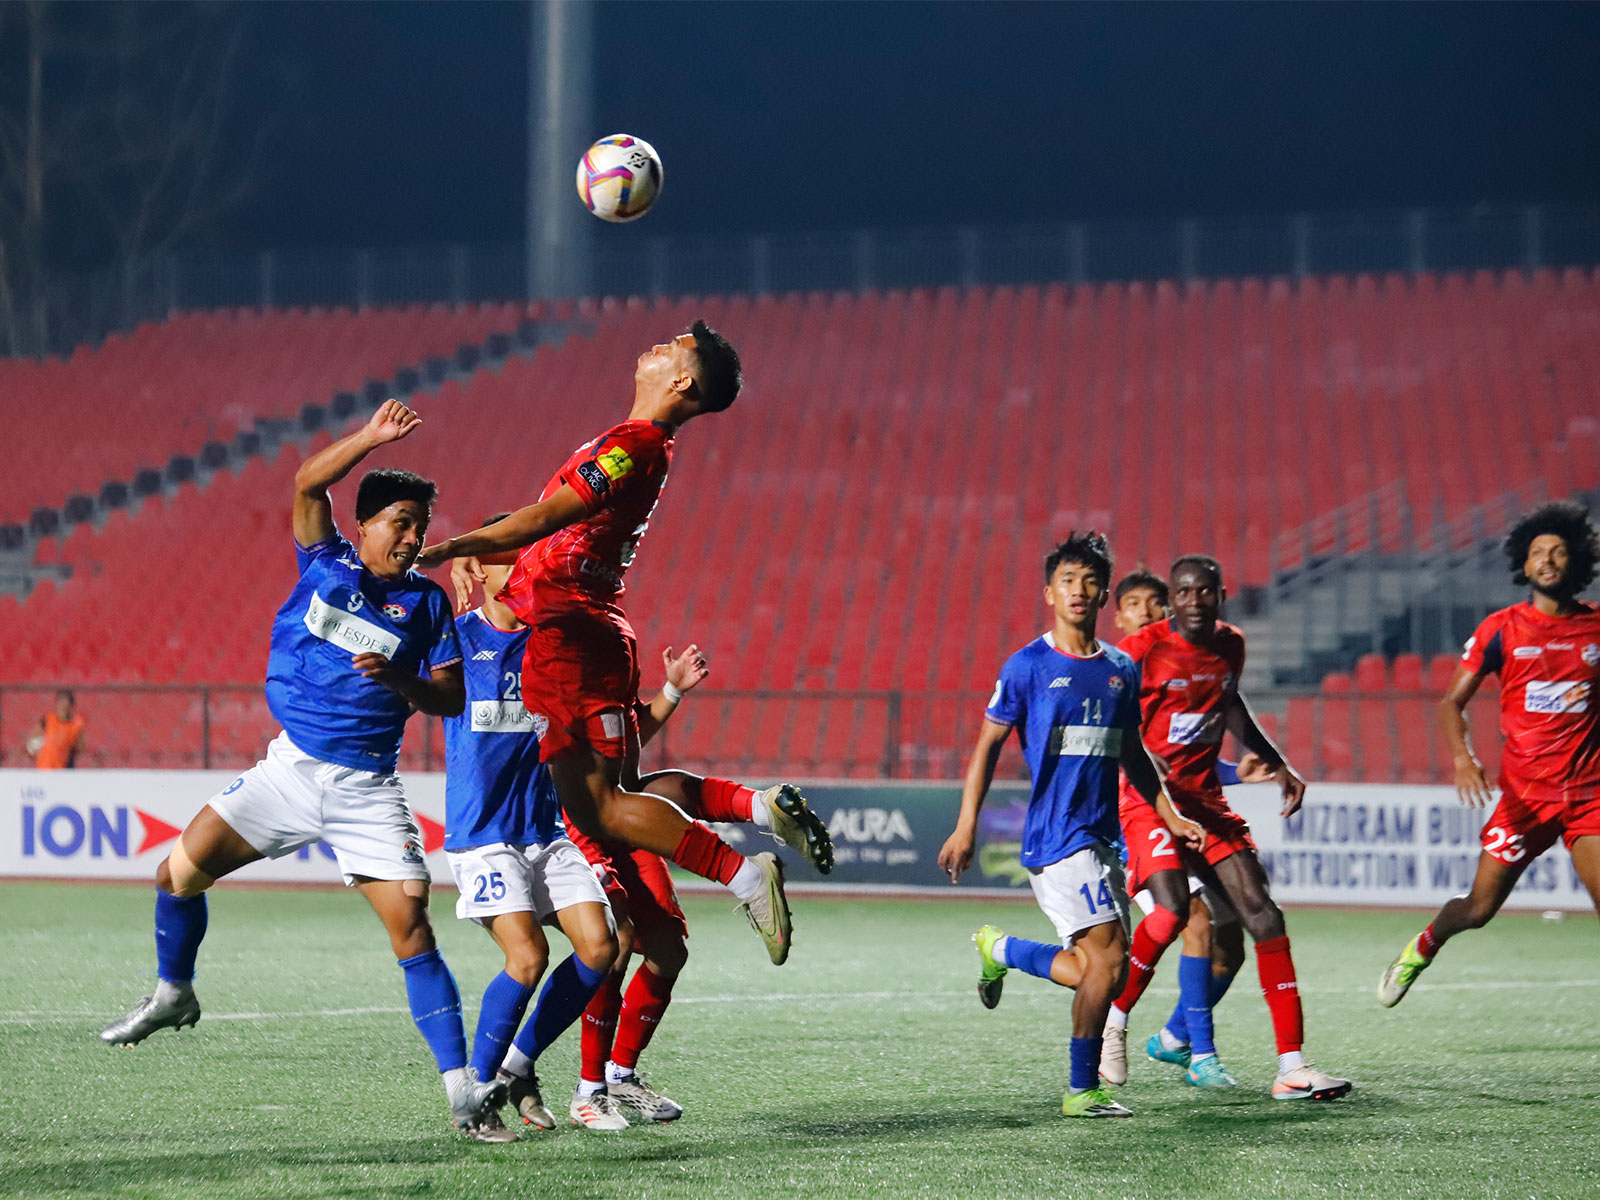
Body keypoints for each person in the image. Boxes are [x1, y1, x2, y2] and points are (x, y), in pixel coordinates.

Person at [99, 401, 506, 1138]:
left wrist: (402, 683)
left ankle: (461, 1095)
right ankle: (174, 992)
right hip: (287, 772)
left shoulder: (428, 604)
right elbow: (306, 485)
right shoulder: (326, 562)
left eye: (419, 528)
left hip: (365, 788)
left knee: (411, 927)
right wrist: (370, 439)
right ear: (366, 525)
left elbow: (450, 695)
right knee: (175, 875)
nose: (413, 540)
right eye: (400, 523)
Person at [417, 322, 818, 966]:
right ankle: (755, 823)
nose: (657, 347)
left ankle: (746, 874)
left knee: (601, 806)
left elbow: (552, 518)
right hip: (590, 628)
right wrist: (492, 550)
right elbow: (553, 534)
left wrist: (456, 544)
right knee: (612, 799)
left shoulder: (633, 443)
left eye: (673, 346)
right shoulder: (639, 443)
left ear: (683, 379)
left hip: (567, 634)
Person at [936, 533, 1205, 1119]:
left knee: (1095, 969)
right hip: (1059, 838)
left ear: (1104, 593)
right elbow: (986, 747)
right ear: (1049, 594)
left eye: (1088, 581)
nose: (1078, 591)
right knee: (1108, 965)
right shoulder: (1028, 666)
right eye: (1066, 581)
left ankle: (1001, 948)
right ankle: (1083, 1089)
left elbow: (1133, 751)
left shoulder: (1118, 669)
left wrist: (1169, 814)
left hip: (1103, 837)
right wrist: (966, 826)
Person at [1105, 555, 1351, 1101]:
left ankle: (1290, 1067)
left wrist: (1276, 760)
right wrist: (1145, 758)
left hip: (1207, 805)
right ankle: (1114, 1023)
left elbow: (1229, 703)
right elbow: (1113, 722)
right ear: (1175, 599)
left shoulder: (1230, 645)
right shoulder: (1140, 651)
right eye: (1185, 592)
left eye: (1204, 592)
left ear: (1219, 595)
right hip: (1148, 803)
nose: (1194, 601)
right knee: (1173, 913)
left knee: (1263, 915)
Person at [1379, 500, 1600, 1006]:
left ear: (1577, 562)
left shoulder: (1595, 629)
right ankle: (1423, 946)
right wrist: (1463, 757)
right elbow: (1452, 703)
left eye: (1559, 551)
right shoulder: (1501, 629)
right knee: (1478, 909)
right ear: (1523, 565)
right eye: (1537, 552)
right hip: (1525, 797)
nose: (1547, 559)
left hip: (1590, 795)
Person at [567, 766, 832, 1130]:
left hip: (626, 820)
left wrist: (670, 703)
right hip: (579, 821)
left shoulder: (617, 711)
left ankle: (620, 1076)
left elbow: (635, 763)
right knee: (614, 940)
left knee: (669, 951)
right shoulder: (560, 712)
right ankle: (587, 1089)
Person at [1102, 570, 1271, 1089]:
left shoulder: (1177, 660)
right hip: (1133, 822)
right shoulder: (1119, 671)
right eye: (1136, 604)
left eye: (1157, 603)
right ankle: (1199, 1052)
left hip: (1187, 816)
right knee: (1192, 919)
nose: (1149, 612)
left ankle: (1173, 1039)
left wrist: (1232, 770)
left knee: (1232, 948)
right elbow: (1129, 760)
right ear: (1119, 616)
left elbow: (1181, 760)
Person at [28, 689, 86, 768]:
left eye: (65, 704)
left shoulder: (76, 725)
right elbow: (33, 737)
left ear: (72, 706)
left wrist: (69, 745)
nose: (62, 707)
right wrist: (34, 745)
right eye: (60, 703)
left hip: (63, 768)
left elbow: (81, 747)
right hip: (45, 767)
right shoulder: (48, 720)